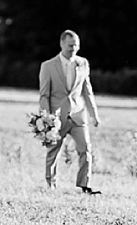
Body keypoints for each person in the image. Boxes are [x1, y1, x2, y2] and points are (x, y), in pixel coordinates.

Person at [38, 30, 101, 194]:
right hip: (56, 118)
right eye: (70, 45)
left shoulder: (83, 63)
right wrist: (46, 118)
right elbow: (44, 94)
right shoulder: (48, 66)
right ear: (61, 44)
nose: (74, 48)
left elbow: (87, 91)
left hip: (78, 115)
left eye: (76, 45)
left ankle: (84, 185)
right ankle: (50, 185)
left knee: (85, 149)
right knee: (53, 152)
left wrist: (94, 114)